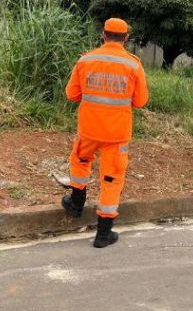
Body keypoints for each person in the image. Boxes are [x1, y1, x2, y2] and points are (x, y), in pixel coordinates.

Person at [62, 17, 149, 248]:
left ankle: (76, 203)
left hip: (88, 129)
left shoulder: (86, 60)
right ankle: (103, 234)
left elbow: (71, 94)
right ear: (126, 39)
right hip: (117, 134)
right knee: (111, 179)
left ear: (103, 35)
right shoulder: (133, 65)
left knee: (80, 162)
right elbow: (140, 101)